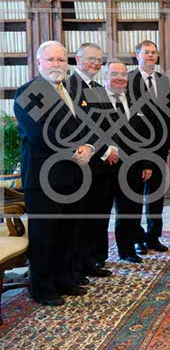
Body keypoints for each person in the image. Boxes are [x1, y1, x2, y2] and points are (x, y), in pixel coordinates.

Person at [14, 41, 96, 306]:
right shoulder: (29, 92)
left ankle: (64, 280)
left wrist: (89, 146)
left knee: (68, 232)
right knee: (45, 235)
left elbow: (88, 124)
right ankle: (41, 288)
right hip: (43, 178)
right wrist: (75, 149)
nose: (57, 65)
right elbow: (41, 134)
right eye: (51, 60)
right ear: (39, 62)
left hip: (73, 174)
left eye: (61, 60)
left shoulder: (71, 90)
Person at [95, 60, 154, 263]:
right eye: (115, 74)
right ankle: (98, 256)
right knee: (101, 214)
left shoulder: (135, 100)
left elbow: (144, 135)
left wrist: (147, 163)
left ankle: (127, 250)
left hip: (132, 167)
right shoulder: (96, 100)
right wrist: (105, 152)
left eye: (123, 74)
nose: (120, 78)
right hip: (104, 166)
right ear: (105, 77)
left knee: (130, 211)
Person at [66, 42, 112, 277]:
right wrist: (100, 150)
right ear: (77, 59)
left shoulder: (99, 89)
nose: (96, 63)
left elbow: (108, 124)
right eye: (91, 59)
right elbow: (77, 127)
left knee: (98, 215)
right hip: (82, 163)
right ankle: (78, 266)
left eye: (99, 60)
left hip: (102, 164)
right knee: (81, 219)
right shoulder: (68, 87)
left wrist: (107, 148)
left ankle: (93, 260)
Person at [128, 40, 170, 254]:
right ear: (137, 55)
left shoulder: (162, 80)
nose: (150, 56)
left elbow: (169, 113)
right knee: (136, 195)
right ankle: (137, 238)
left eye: (154, 52)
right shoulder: (129, 80)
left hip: (160, 146)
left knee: (156, 195)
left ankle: (153, 236)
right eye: (146, 52)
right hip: (137, 146)